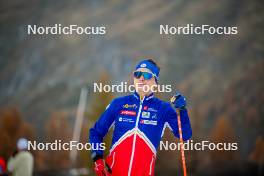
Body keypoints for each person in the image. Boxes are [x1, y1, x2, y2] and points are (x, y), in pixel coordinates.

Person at [89, 59, 192, 176]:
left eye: (147, 75)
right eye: (137, 74)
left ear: (155, 82)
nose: (141, 79)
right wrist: (97, 159)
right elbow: (96, 132)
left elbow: (185, 135)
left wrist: (182, 110)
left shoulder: (163, 108)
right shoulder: (118, 104)